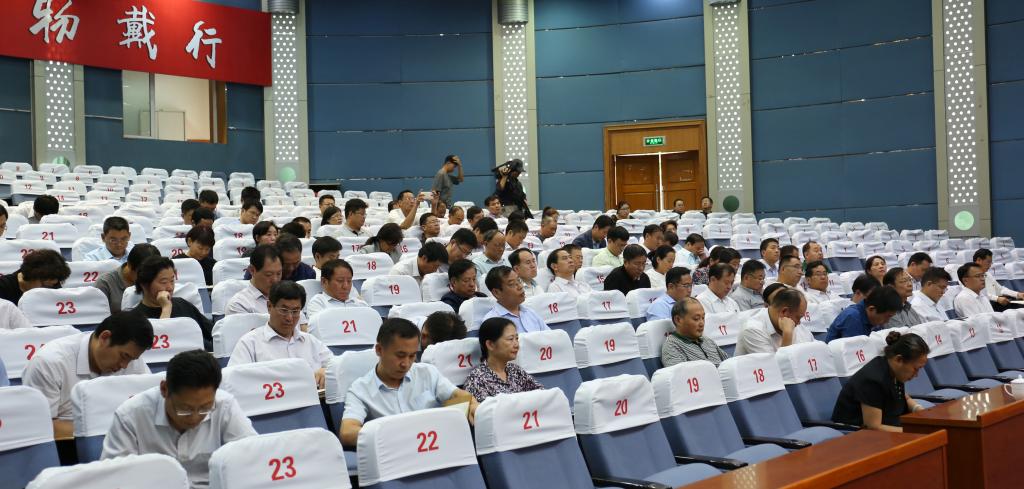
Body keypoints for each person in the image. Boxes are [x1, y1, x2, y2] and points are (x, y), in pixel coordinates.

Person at [101, 350, 255, 488]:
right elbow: (114, 479)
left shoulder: (224, 406)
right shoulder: (130, 416)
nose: (194, 418)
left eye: (205, 408)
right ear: (164, 389)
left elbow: (251, 460)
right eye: (185, 409)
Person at [339, 318, 479, 446]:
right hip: (396, 453)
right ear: (379, 350)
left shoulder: (427, 373)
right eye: (400, 355)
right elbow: (347, 433)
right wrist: (398, 434)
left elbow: (460, 396)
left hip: (437, 448)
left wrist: (473, 404)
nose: (406, 364)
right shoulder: (360, 389)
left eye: (412, 356)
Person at [23, 311, 153, 439]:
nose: (125, 365)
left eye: (131, 359)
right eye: (124, 356)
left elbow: (151, 407)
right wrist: (109, 428)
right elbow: (42, 426)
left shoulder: (131, 360)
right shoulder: (49, 363)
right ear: (104, 337)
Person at [229, 281, 331, 387]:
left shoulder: (311, 341)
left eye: (295, 311)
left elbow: (335, 367)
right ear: (269, 306)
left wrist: (326, 370)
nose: (289, 318)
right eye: (284, 310)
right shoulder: (250, 343)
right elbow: (234, 381)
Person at [831, 332, 929, 431]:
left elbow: (903, 396)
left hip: (890, 426)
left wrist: (918, 409)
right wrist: (913, 431)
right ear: (899, 359)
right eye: (916, 369)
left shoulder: (893, 368)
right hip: (856, 434)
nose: (917, 375)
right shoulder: (873, 380)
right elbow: (874, 427)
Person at [130, 256, 214, 350]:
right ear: (144, 285)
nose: (170, 287)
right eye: (164, 282)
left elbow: (213, 333)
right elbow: (158, 351)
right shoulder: (135, 319)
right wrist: (166, 308)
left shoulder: (183, 305)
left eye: (172, 281)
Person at [463, 317, 544, 402]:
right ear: (490, 344)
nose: (516, 345)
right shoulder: (477, 380)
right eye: (510, 339)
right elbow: (484, 410)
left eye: (517, 338)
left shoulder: (516, 370)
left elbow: (542, 394)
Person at [734, 288, 813, 355]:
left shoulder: (795, 323)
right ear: (784, 312)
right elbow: (776, 366)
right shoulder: (752, 330)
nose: (799, 323)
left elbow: (812, 351)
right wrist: (787, 334)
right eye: (798, 317)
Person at [662, 297, 729, 368]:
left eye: (703, 318)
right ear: (678, 320)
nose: (702, 323)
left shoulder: (708, 341)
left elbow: (728, 364)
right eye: (696, 319)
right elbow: (680, 374)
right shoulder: (672, 347)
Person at [95, 244, 160, 313]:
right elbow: (100, 315)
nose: (148, 279)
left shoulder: (160, 279)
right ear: (129, 265)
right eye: (143, 274)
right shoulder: (105, 283)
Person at [482, 266, 549, 333]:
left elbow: (549, 336)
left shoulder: (530, 312)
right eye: (511, 284)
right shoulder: (491, 321)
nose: (520, 286)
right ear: (496, 292)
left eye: (519, 280)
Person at [824, 286, 903, 342]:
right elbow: (856, 352)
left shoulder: (874, 317)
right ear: (871, 309)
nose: (887, 321)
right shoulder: (853, 317)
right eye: (887, 316)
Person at [225, 245, 282, 315]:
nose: (275, 280)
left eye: (279, 274)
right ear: (252, 270)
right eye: (269, 274)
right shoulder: (238, 305)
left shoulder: (288, 296)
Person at [0, 249, 70, 304]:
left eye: (51, 285)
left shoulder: (54, 284)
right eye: (43, 285)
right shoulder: (3, 287)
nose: (47, 289)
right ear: (30, 276)